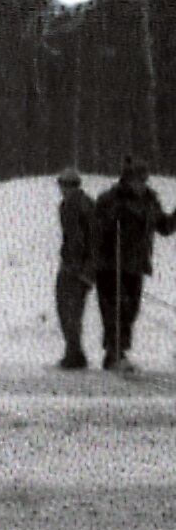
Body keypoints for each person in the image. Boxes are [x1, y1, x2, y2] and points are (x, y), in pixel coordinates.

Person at [92, 156, 173, 370]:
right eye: (136, 180)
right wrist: (110, 222)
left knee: (131, 311)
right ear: (126, 180)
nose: (140, 184)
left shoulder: (150, 200)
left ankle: (118, 352)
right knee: (115, 309)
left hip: (136, 265)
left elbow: (164, 227)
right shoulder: (110, 199)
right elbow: (97, 229)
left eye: (143, 179)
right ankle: (114, 354)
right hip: (111, 265)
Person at [55, 167, 104, 371]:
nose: (63, 189)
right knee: (64, 309)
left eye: (67, 185)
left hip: (80, 269)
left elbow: (95, 241)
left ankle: (74, 355)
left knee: (72, 312)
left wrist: (89, 270)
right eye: (62, 185)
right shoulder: (67, 205)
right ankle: (73, 351)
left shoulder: (84, 206)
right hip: (69, 265)